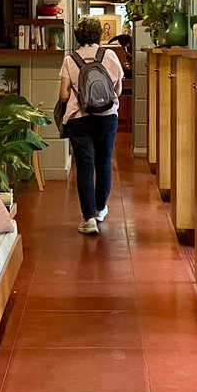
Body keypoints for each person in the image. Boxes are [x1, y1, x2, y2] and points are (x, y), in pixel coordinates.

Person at [59, 16, 124, 234]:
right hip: (107, 117)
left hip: (79, 119)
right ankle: (100, 209)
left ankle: (88, 220)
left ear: (77, 36)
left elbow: (63, 95)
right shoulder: (110, 56)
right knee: (104, 162)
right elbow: (117, 91)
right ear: (99, 35)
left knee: (85, 167)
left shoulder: (70, 60)